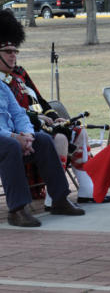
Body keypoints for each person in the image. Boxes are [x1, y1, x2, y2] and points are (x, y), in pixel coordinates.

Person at [0, 9, 110, 206]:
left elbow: (40, 100)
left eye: (15, 51)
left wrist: (52, 115)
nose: (13, 56)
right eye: (8, 52)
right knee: (59, 138)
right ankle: (53, 197)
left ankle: (87, 189)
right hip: (17, 131)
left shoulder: (20, 73)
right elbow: (12, 114)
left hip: (31, 126)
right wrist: (37, 121)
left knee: (79, 133)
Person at [0, 79, 85, 226]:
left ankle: (59, 200)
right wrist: (14, 137)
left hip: (12, 137)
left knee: (43, 140)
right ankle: (17, 209)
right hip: (7, 139)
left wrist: (28, 136)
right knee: (11, 146)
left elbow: (19, 114)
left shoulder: (2, 86)